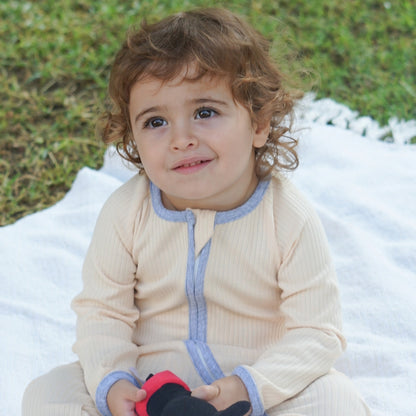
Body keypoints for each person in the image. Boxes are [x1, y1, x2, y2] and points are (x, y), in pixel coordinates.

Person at [22, 7, 370, 416]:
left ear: (258, 123)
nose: (181, 139)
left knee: (335, 400)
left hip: (256, 388)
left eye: (205, 113)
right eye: (155, 122)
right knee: (48, 393)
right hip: (151, 389)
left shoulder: (288, 215)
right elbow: (102, 312)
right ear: (132, 137)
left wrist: (248, 386)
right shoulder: (125, 212)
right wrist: (114, 383)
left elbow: (317, 331)